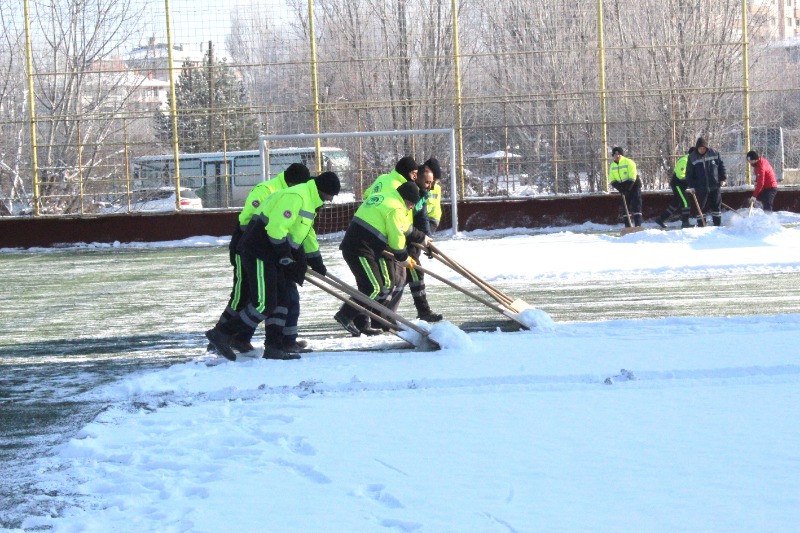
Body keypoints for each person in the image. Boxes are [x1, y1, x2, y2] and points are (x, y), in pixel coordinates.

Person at [206, 172, 341, 361]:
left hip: (273, 254)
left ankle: (274, 347)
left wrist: (316, 261)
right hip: (260, 252)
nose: (330, 200)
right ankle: (221, 334)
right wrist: (286, 257)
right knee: (264, 303)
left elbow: (305, 233)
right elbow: (276, 229)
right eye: (330, 196)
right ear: (322, 190)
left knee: (282, 300)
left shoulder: (309, 200)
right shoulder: (296, 196)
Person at [334, 181, 431, 336]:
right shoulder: (396, 208)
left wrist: (423, 238)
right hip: (359, 249)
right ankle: (345, 314)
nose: (412, 207)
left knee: (370, 286)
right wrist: (404, 258)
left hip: (363, 247)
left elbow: (405, 227)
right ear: (406, 199)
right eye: (412, 203)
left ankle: (362, 323)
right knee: (373, 287)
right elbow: (396, 240)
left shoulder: (388, 198)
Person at [390, 158, 443, 322]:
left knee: (412, 273)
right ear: (417, 176)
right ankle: (375, 312)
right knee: (402, 276)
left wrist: (427, 240)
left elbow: (422, 217)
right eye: (427, 182)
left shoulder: (422, 193)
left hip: (411, 234)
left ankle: (422, 311)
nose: (430, 185)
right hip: (400, 234)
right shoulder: (408, 190)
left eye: (432, 182)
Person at [685, 137, 727, 227]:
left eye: (704, 148)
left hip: (714, 185)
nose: (702, 150)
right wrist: (691, 185)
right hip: (700, 187)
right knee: (700, 206)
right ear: (697, 148)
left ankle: (717, 224)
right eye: (700, 148)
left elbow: (721, 166)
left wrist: (723, 178)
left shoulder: (714, 153)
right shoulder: (692, 157)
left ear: (706, 148)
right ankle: (701, 224)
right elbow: (689, 173)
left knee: (716, 205)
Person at [655, 148, 694, 229]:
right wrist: (691, 181)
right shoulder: (685, 161)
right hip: (678, 184)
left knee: (675, 203)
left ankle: (661, 219)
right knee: (686, 202)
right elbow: (680, 175)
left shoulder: (692, 161)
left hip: (682, 185)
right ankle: (685, 222)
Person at [608, 147, 642, 227]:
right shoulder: (612, 165)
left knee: (636, 204)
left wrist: (627, 188)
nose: (617, 156)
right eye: (615, 154)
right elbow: (612, 179)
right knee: (625, 206)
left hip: (633, 186)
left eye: (618, 154)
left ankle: (638, 225)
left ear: (621, 154)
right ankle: (628, 226)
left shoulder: (629, 162)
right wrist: (619, 188)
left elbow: (632, 177)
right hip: (622, 187)